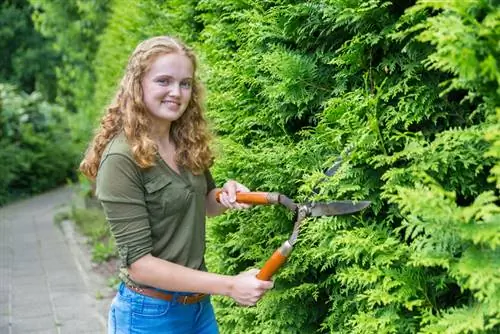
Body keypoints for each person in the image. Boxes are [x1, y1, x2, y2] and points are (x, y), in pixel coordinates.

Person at [79, 36, 273, 334]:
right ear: (137, 84)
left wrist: (225, 196)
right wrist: (230, 285)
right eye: (164, 81)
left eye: (185, 83)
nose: (176, 92)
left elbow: (204, 203)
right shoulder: (120, 158)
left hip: (198, 310)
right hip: (149, 316)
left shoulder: (185, 142)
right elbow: (140, 265)